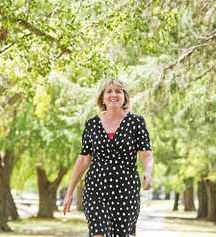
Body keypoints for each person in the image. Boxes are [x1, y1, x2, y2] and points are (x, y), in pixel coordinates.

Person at [63, 79, 154, 237]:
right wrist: (69, 192)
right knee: (98, 232)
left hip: (126, 191)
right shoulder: (92, 124)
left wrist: (148, 172)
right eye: (109, 91)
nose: (114, 94)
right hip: (96, 189)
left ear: (124, 97)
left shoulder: (136, 122)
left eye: (118, 91)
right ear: (102, 98)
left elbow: (146, 154)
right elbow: (84, 159)